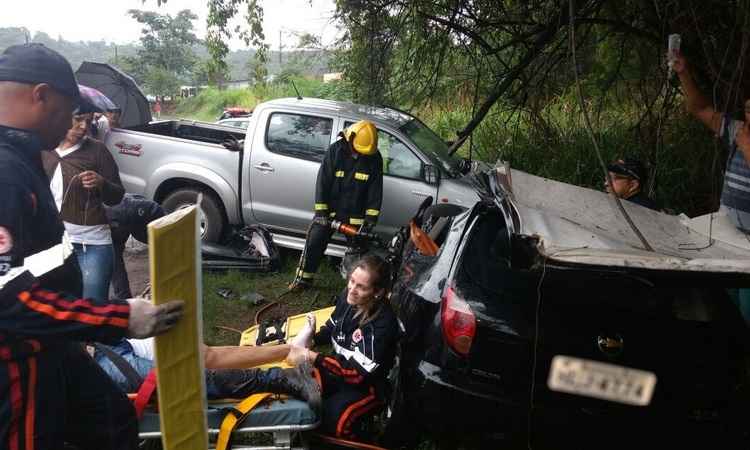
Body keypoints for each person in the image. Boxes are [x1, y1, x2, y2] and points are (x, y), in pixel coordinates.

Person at [0, 43, 183, 450]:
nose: (75, 120)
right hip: (16, 357)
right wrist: (117, 317)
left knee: (111, 418)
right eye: (70, 108)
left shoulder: (25, 157)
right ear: (41, 95)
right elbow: (7, 300)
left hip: (52, 343)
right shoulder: (5, 171)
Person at [287, 254, 400, 440]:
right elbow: (332, 327)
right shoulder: (347, 298)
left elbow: (357, 375)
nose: (352, 289)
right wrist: (311, 337)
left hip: (367, 387)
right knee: (295, 389)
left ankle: (368, 432)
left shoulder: (383, 325)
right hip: (337, 373)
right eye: (352, 281)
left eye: (361, 287)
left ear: (378, 292)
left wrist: (312, 356)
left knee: (335, 423)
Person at [41, 111, 125, 302]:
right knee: (58, 306)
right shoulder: (43, 148)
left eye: (88, 121)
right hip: (54, 243)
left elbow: (117, 196)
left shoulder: (97, 150)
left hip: (92, 243)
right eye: (78, 119)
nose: (84, 127)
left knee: (93, 307)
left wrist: (102, 183)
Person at [290, 120, 384, 290]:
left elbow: (375, 190)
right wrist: (321, 213)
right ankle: (303, 280)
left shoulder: (374, 158)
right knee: (314, 242)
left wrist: (370, 218)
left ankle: (356, 289)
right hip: (330, 213)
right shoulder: (335, 151)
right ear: (350, 140)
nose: (361, 155)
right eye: (358, 150)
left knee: (359, 253)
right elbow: (323, 182)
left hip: (356, 216)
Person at [94, 338, 320, 406]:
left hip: (102, 346)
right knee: (193, 375)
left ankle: (288, 352)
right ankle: (281, 377)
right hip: (99, 362)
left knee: (206, 357)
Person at [672, 51, 750, 232]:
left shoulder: (743, 137)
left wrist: (746, 145)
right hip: (727, 232)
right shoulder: (736, 129)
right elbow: (699, 109)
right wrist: (683, 72)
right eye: (748, 110)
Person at [106, 194, 165, 299]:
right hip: (118, 222)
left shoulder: (127, 208)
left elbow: (154, 209)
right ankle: (125, 301)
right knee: (115, 263)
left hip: (124, 216)